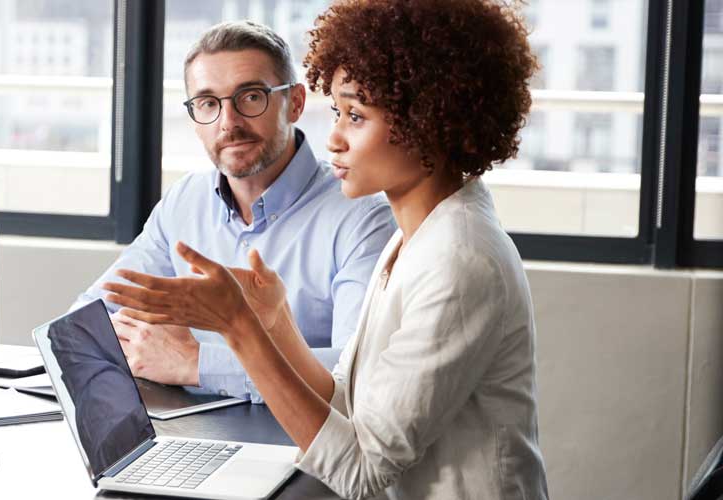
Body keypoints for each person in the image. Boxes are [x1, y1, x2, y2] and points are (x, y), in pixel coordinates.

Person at [102, 1, 548, 497]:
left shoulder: (460, 261)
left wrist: (240, 327)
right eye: (337, 112)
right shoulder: (416, 237)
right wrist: (276, 325)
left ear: (428, 122)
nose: (332, 138)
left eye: (355, 116)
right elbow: (349, 400)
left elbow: (362, 472)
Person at [72, 21, 393, 402]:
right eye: (208, 103)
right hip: (191, 436)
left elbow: (355, 373)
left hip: (306, 448)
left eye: (251, 97)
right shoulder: (184, 202)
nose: (229, 123)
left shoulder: (363, 217)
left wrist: (196, 364)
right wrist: (136, 345)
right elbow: (87, 320)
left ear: (295, 103)